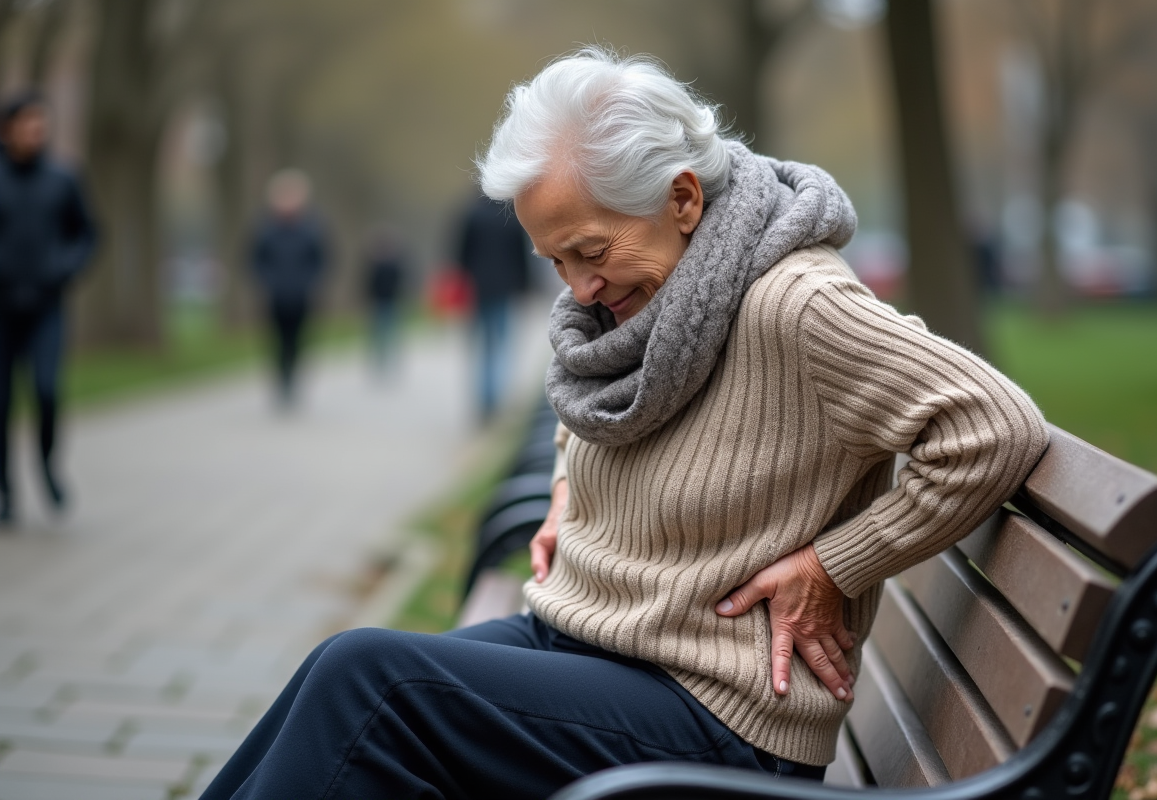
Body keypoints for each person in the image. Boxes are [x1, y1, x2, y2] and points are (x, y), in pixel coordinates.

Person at [200, 48, 1048, 799]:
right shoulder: (665, 286)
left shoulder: (794, 301)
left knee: (373, 685)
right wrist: (572, 487)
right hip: (598, 642)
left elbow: (994, 427)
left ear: (682, 197)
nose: (578, 289)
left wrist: (834, 564)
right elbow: (610, 407)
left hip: (712, 713)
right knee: (338, 672)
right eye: (555, 261)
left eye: (592, 252)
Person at [0, 91, 95, 525]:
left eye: (41, 125)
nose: (34, 133)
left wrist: (66, 266)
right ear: (8, 129)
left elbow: (88, 234)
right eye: (26, 124)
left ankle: (47, 465)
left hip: (46, 306)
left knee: (46, 390)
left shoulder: (63, 178)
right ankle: (6, 491)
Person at [249, 169, 327, 408]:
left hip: (302, 295)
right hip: (275, 295)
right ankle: (281, 380)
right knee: (277, 340)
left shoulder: (312, 228)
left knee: (298, 340)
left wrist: (309, 281)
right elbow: (255, 259)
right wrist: (268, 281)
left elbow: (322, 259)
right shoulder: (266, 229)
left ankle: (292, 378)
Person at [456, 193, 530, 421]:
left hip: (478, 288)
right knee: (502, 344)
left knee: (484, 345)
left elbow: (462, 253)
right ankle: (497, 397)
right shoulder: (511, 216)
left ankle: (485, 399)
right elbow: (521, 256)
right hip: (505, 288)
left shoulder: (472, 214)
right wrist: (524, 285)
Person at [361, 229, 410, 377]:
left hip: (389, 302)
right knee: (381, 334)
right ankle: (381, 362)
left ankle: (387, 362)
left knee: (387, 334)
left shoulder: (391, 263)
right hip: (381, 302)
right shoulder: (376, 263)